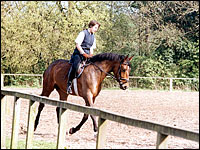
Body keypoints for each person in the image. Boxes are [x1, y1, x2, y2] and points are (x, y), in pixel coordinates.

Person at [66, 20, 100, 94]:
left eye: (97, 28)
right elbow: (77, 45)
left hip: (88, 55)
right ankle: (69, 84)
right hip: (78, 54)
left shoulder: (93, 37)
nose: (96, 30)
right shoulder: (83, 33)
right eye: (95, 28)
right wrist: (83, 53)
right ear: (91, 26)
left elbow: (91, 48)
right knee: (75, 66)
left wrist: (91, 55)